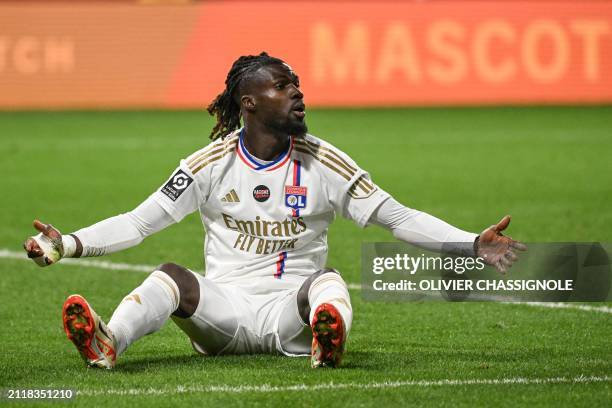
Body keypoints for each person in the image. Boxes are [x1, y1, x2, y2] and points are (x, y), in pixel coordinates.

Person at [23, 52, 525, 370]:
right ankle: (109, 343)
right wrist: (68, 243)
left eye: (297, 84)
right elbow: (139, 222)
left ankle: (328, 339)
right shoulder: (208, 165)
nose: (297, 93)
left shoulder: (324, 161)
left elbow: (394, 215)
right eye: (283, 87)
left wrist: (469, 242)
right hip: (223, 313)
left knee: (328, 283)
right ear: (249, 103)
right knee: (170, 277)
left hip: (293, 315)